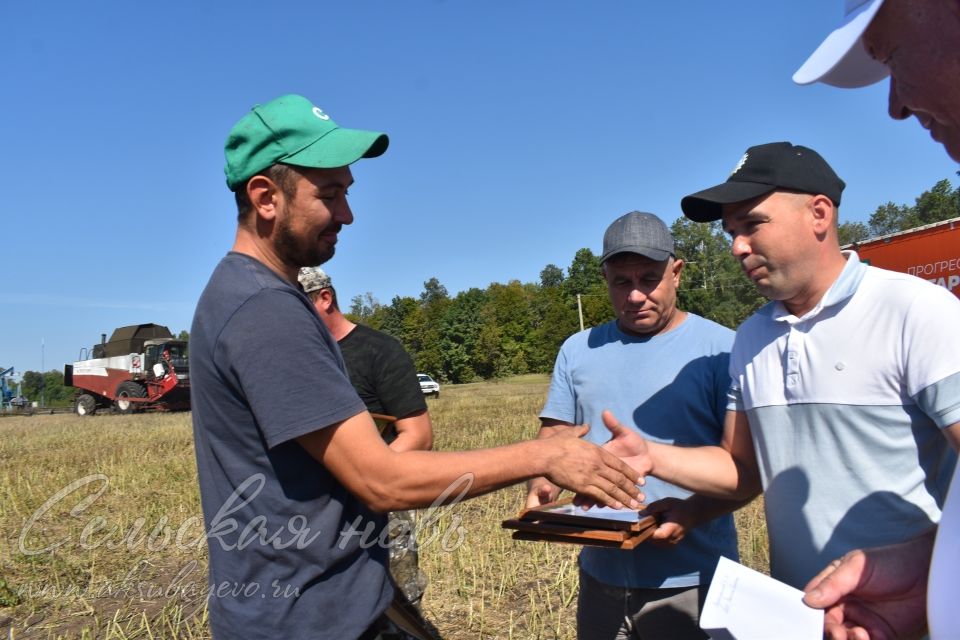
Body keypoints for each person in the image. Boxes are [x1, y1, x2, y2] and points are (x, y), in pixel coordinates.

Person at [189, 93, 643, 640]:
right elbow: (381, 481)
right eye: (329, 194)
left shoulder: (246, 293)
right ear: (266, 198)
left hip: (327, 602)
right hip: (311, 620)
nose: (347, 214)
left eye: (347, 193)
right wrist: (545, 454)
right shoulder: (266, 310)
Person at [603, 142, 960, 597]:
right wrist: (652, 458)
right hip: (802, 611)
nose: (736, 247)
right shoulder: (752, 338)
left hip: (916, 613)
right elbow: (742, 469)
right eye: (731, 231)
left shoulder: (915, 310)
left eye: (752, 224)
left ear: (819, 213)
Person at [792, 2, 960, 638]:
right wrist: (939, 570)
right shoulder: (752, 336)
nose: (895, 105)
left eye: (890, 55)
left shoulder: (919, 311)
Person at [526, 211, 741, 640]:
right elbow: (555, 435)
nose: (636, 295)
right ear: (605, 279)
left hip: (692, 580)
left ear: (676, 273)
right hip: (600, 574)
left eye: (649, 278)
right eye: (622, 282)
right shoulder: (578, 349)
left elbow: (742, 466)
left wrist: (694, 513)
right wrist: (540, 480)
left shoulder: (721, 349)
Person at [298, 265, 432, 609]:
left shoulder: (378, 351)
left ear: (324, 298)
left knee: (397, 605)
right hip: (312, 511)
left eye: (296, 306)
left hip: (378, 504)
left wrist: (366, 473)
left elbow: (417, 435)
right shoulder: (295, 358)